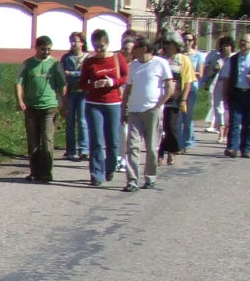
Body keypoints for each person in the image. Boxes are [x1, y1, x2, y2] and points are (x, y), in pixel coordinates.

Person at [121, 40, 173, 190]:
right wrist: (124, 108)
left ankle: (150, 177)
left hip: (152, 110)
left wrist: (159, 104)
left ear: (144, 48)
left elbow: (170, 87)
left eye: (135, 48)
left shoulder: (160, 63)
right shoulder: (134, 65)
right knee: (132, 147)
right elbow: (128, 89)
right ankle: (132, 181)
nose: (132, 52)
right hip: (134, 111)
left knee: (151, 147)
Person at [79, 28, 127, 186]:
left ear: (107, 43)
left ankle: (110, 167)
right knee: (97, 141)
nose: (98, 50)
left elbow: (126, 76)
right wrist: (94, 85)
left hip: (113, 103)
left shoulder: (117, 58)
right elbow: (82, 84)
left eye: (101, 46)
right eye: (95, 46)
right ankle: (96, 174)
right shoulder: (89, 62)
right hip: (94, 104)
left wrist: (112, 82)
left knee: (112, 140)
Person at [15, 34, 64, 182]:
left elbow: (62, 85)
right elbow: (18, 83)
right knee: (33, 142)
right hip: (31, 107)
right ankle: (34, 172)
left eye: (49, 49)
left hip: (49, 107)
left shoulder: (55, 64)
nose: (46, 52)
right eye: (43, 49)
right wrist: (19, 100)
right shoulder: (28, 64)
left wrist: (63, 104)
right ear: (36, 48)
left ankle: (47, 172)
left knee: (47, 141)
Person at [60, 30, 88, 161]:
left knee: (82, 120)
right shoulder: (66, 58)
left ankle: (84, 149)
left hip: (83, 93)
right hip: (70, 92)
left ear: (82, 43)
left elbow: (87, 74)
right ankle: (70, 150)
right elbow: (61, 73)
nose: (73, 44)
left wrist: (72, 73)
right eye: (71, 41)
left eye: (75, 41)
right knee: (70, 121)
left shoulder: (87, 58)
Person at [202, 35, 232, 134]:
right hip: (217, 82)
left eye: (228, 45)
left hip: (230, 84)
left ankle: (227, 127)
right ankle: (220, 127)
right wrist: (214, 69)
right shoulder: (216, 57)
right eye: (224, 45)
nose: (226, 48)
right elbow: (208, 70)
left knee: (228, 107)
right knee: (217, 106)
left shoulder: (233, 58)